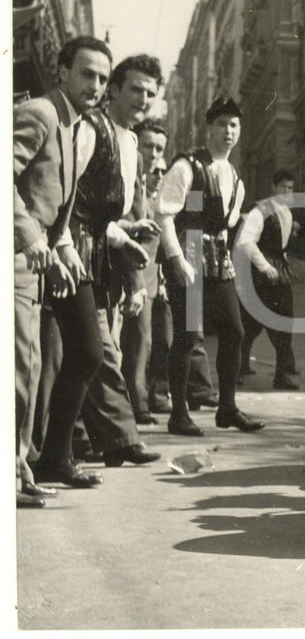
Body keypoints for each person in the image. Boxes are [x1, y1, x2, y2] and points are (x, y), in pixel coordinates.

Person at [35, 53, 164, 483]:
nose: (142, 99)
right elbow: (68, 199)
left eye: (149, 93)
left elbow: (107, 211)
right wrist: (102, 238)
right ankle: (68, 449)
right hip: (69, 252)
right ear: (115, 90)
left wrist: (124, 233)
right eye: (134, 90)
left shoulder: (129, 142)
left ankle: (88, 443)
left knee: (93, 351)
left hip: (97, 255)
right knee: (84, 352)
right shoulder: (91, 131)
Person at [13, 36, 111, 504]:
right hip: (15, 255)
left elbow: (54, 199)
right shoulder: (41, 113)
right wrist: (32, 236)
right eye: (87, 74)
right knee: (17, 368)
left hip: (41, 258)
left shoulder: (75, 126)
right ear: (62, 71)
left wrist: (62, 243)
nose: (95, 85)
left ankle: (26, 468)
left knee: (27, 366)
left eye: (102, 78)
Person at [155, 96, 263, 435]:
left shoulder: (235, 176)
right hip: (188, 254)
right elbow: (164, 213)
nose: (228, 131)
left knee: (234, 330)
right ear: (209, 128)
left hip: (217, 258)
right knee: (187, 336)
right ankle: (179, 415)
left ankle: (227, 409)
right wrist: (175, 257)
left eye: (234, 125)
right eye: (222, 124)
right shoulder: (188, 166)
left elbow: (226, 223)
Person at [120, 120, 168, 424]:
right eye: (148, 145)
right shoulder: (130, 182)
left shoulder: (151, 193)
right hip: (130, 276)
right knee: (136, 345)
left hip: (148, 280)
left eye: (159, 148)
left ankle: (137, 403)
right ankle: (136, 406)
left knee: (143, 344)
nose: (153, 154)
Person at [237, 170, 299, 390]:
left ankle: (281, 374)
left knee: (284, 322)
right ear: (274, 188)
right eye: (283, 187)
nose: (287, 192)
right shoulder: (261, 210)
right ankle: (239, 368)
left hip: (279, 272)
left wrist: (283, 265)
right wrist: (264, 266)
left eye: (291, 188)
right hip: (260, 274)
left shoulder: (287, 213)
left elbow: (281, 245)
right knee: (249, 324)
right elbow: (246, 241)